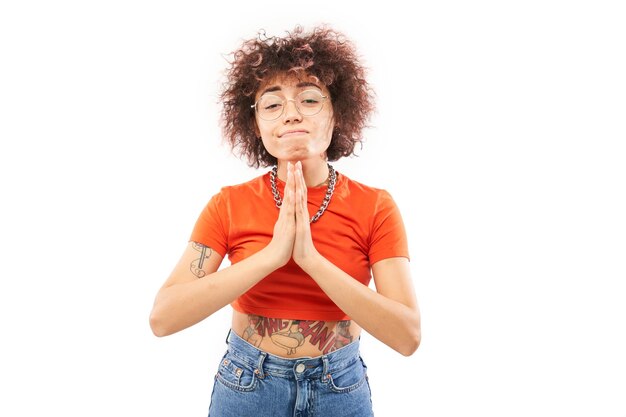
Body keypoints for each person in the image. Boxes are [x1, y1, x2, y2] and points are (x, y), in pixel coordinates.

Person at [149, 25, 421, 417]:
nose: (291, 113)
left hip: (339, 388)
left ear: (336, 113)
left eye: (309, 99)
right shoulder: (228, 204)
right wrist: (273, 256)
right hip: (248, 385)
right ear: (256, 125)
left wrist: (310, 259)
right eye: (272, 105)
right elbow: (163, 317)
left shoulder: (376, 206)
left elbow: (407, 336)